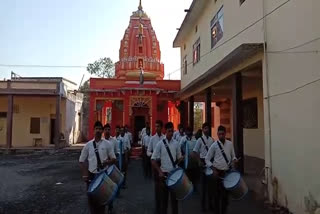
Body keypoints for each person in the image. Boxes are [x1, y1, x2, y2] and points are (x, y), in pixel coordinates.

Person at [79, 121, 116, 214]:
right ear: (93, 130)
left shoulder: (107, 144)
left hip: (103, 176)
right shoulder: (88, 145)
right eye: (96, 129)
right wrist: (84, 175)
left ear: (102, 131)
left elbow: (114, 159)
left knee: (101, 201)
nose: (98, 131)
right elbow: (82, 160)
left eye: (100, 129)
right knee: (91, 201)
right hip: (91, 176)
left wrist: (107, 162)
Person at [151, 122, 183, 214]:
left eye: (172, 131)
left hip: (174, 175)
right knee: (163, 201)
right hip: (164, 175)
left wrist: (181, 159)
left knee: (175, 201)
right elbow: (153, 159)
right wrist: (159, 171)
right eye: (169, 131)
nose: (171, 133)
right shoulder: (160, 144)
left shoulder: (176, 144)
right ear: (165, 131)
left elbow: (179, 158)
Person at [205, 125, 238, 214]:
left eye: (223, 134)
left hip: (226, 173)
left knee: (225, 197)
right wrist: (213, 169)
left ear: (225, 134)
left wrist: (234, 160)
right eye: (219, 134)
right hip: (217, 173)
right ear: (217, 134)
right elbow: (207, 159)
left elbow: (233, 156)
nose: (221, 136)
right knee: (216, 196)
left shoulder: (230, 144)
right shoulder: (214, 145)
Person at [192, 122, 214, 212]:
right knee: (204, 186)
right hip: (202, 163)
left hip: (210, 163)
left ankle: (210, 205)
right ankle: (203, 206)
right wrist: (198, 161)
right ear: (203, 129)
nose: (206, 130)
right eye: (205, 128)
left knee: (210, 186)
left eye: (208, 128)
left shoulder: (212, 140)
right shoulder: (199, 140)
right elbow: (194, 152)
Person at [147, 120, 165, 214]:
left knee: (164, 186)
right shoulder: (152, 139)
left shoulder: (165, 138)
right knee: (157, 186)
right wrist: (153, 155)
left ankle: (163, 206)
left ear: (161, 128)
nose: (156, 128)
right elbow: (148, 151)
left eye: (158, 126)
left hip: (163, 164)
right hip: (155, 163)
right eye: (155, 126)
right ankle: (158, 207)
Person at [179, 126, 199, 191]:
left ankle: (194, 186)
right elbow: (179, 148)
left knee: (194, 172)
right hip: (186, 158)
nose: (188, 132)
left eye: (189, 131)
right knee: (187, 172)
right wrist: (182, 155)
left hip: (193, 158)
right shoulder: (183, 139)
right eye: (187, 131)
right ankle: (188, 187)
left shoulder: (194, 139)